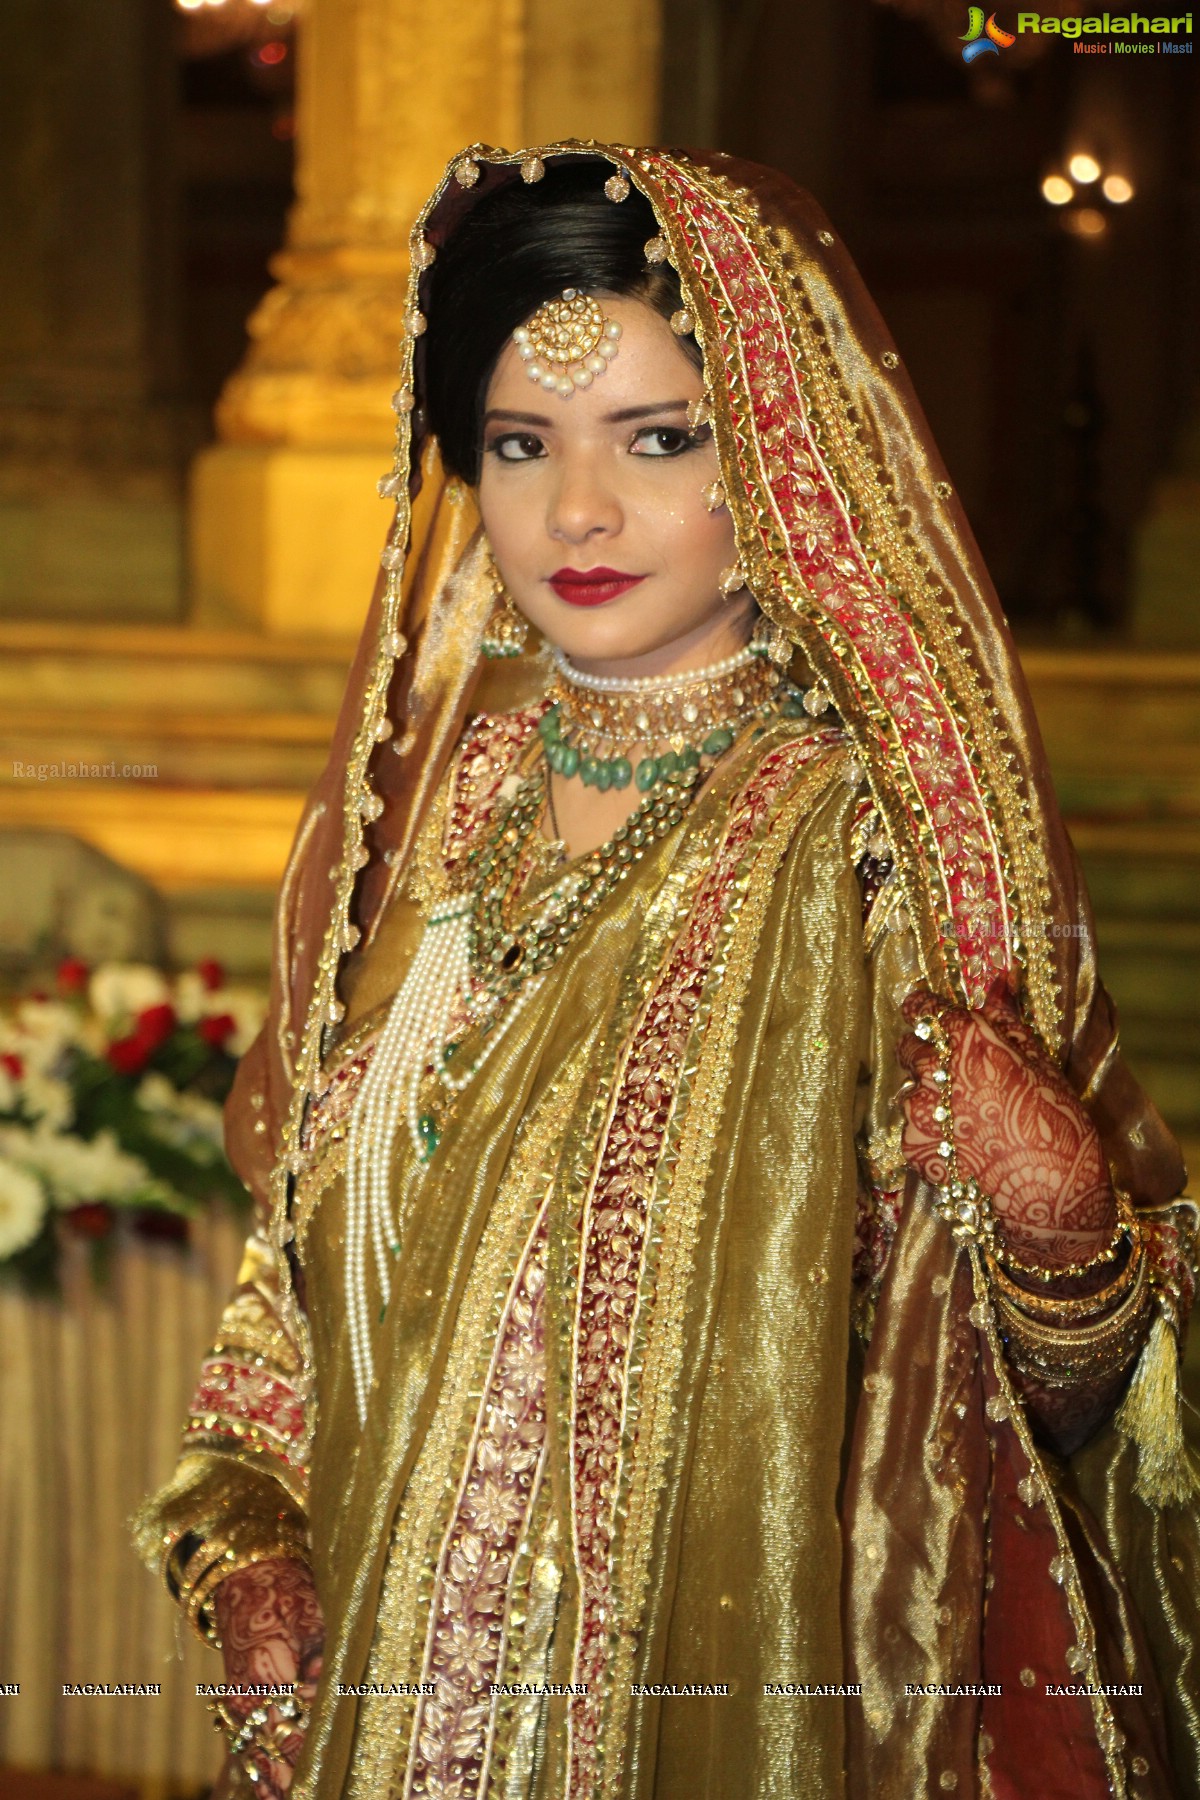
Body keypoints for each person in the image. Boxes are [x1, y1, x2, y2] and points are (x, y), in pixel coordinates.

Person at [135, 145, 1200, 1800]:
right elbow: (307, 1240)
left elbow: (1027, 1432)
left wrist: (1066, 1240)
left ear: (778, 455)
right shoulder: (428, 804)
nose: (576, 512)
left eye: (657, 439)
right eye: (517, 445)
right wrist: (247, 1528)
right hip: (395, 1701)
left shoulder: (879, 835)